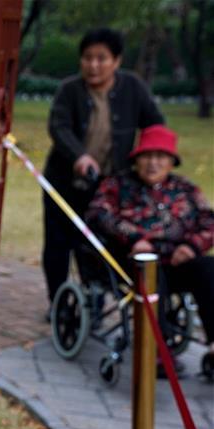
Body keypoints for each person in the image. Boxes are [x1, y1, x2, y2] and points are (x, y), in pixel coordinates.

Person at [42, 28, 164, 318]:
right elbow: (58, 127)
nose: (93, 65)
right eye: (87, 58)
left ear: (116, 61)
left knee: (96, 243)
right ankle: (58, 303)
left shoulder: (133, 88)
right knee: (59, 245)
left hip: (109, 187)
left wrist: (153, 160)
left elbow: (155, 125)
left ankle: (92, 296)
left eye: (101, 58)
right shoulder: (69, 90)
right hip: (65, 183)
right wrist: (79, 157)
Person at [87, 125, 214, 374]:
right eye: (147, 156)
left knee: (210, 269)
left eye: (161, 157)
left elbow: (209, 221)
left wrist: (191, 246)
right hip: (134, 262)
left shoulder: (185, 189)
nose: (153, 163)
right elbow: (97, 214)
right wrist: (133, 238)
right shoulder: (117, 185)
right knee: (151, 270)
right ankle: (157, 349)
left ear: (171, 162)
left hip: (177, 260)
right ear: (137, 159)